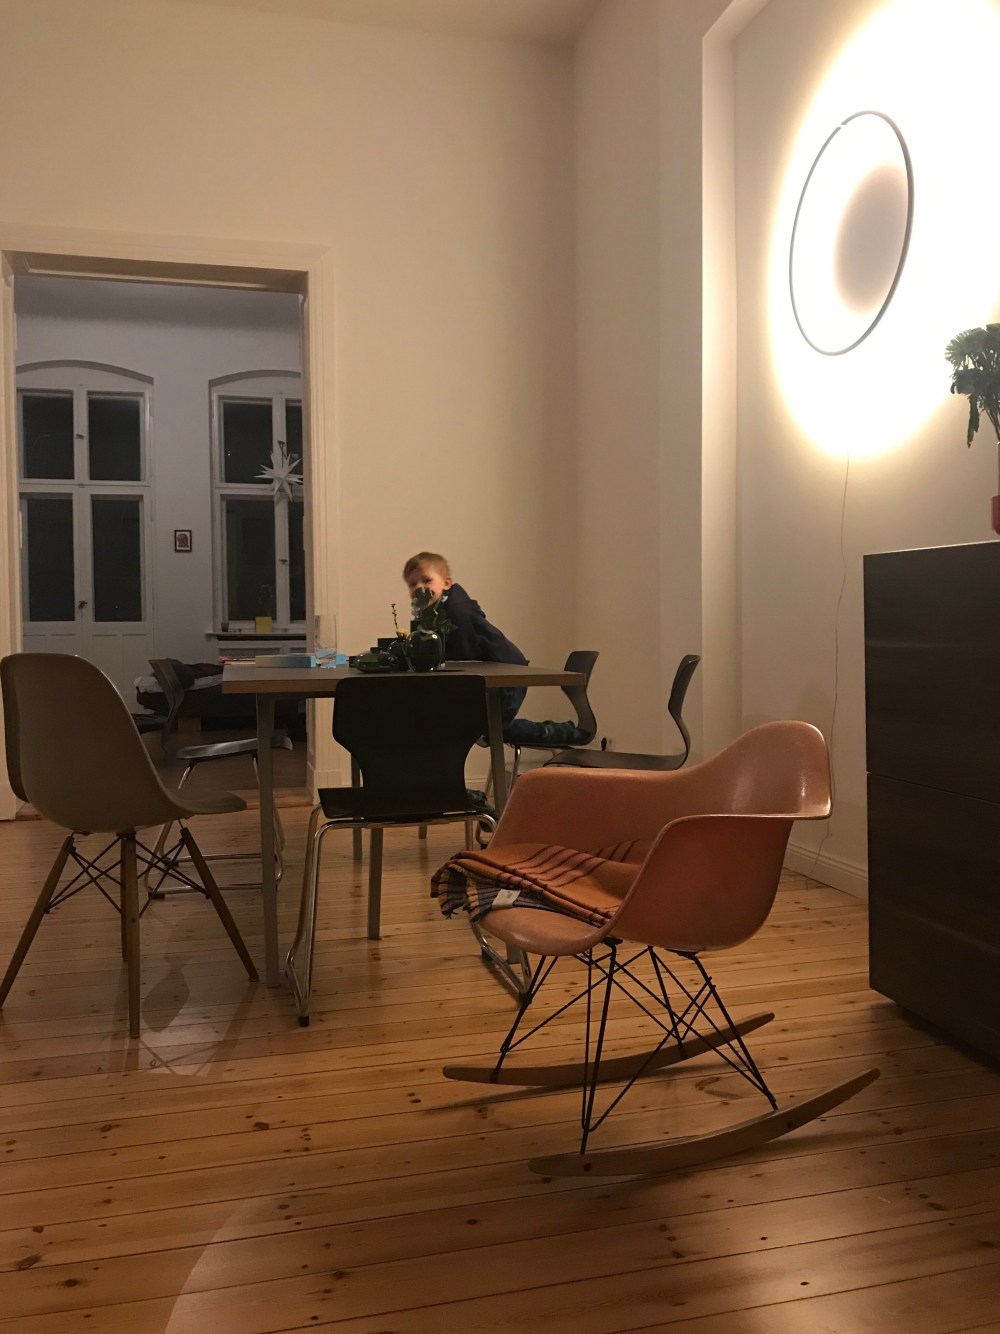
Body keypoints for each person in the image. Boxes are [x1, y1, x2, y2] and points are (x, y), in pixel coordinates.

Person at [402, 552, 587, 745]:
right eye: (412, 584)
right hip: (497, 675)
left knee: (489, 727)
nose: (419, 587)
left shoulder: (458, 613)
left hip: (507, 677)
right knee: (489, 728)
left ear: (446, 583)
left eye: (426, 580)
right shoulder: (434, 615)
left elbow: (461, 657)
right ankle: (562, 732)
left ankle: (562, 732)